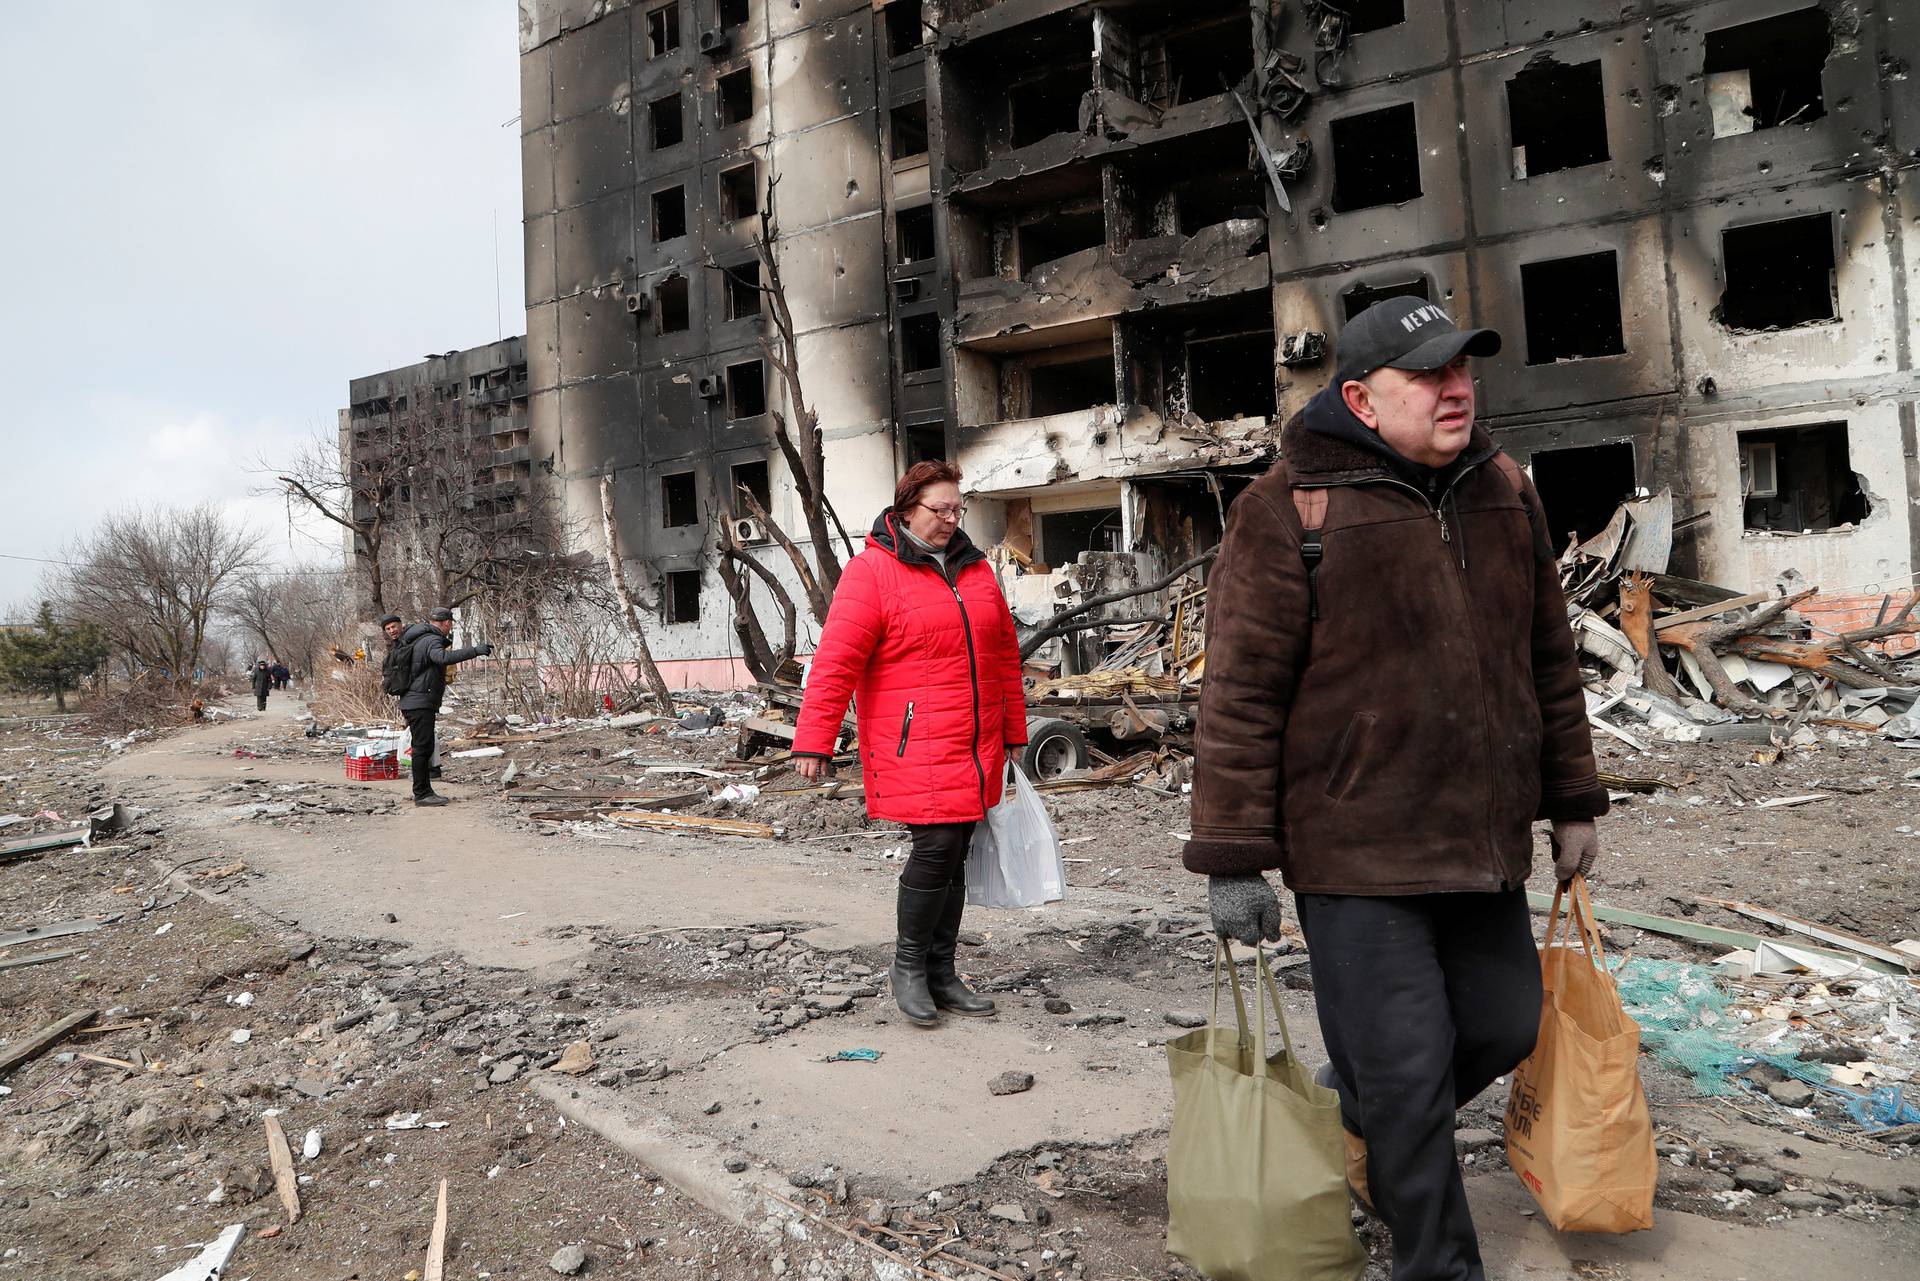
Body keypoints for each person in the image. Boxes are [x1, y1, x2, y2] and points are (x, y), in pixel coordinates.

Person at [1184, 296, 1608, 1281]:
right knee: (1413, 1075)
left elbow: (1547, 656)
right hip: (1354, 850)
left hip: (1480, 840)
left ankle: (1358, 1110)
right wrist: (1233, 860)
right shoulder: (1288, 507)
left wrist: (1573, 799)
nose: (1457, 389)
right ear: (1363, 401)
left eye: (1464, 369)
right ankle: (1436, 1261)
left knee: (1505, 1024)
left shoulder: (1506, 490)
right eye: (1430, 376)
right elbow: (1239, 693)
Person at [792, 460, 1028, 1027]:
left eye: (957, 509)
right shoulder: (872, 573)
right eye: (939, 509)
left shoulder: (976, 571)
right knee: (937, 846)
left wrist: (1013, 731)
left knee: (957, 854)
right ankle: (909, 968)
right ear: (906, 511)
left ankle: (943, 972)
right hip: (915, 740)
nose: (951, 519)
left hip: (975, 741)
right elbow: (835, 662)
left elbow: (1001, 658)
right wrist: (813, 742)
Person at [394, 608, 492, 807]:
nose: (451, 627)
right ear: (447, 623)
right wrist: (475, 650)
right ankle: (421, 794)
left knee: (425, 746)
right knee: (422, 748)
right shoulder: (431, 639)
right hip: (420, 701)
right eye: (451, 624)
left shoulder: (418, 638)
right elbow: (442, 658)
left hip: (415, 700)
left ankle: (425, 790)